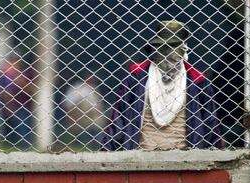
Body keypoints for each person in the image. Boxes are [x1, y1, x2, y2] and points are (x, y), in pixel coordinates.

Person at [102, 20, 222, 151]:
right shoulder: (137, 76)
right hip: (141, 155)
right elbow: (119, 117)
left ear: (183, 50)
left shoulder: (197, 80)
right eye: (162, 48)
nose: (167, 54)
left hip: (185, 156)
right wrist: (106, 152)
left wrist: (215, 154)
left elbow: (211, 124)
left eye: (172, 48)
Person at [0, 55, 34, 149]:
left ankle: (25, 145)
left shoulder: (25, 74)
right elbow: (1, 92)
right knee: (7, 128)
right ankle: (8, 143)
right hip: (6, 106)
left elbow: (32, 90)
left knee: (23, 127)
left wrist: (19, 80)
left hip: (22, 105)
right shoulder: (3, 77)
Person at [62, 73, 106, 150]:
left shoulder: (94, 88)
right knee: (84, 139)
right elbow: (68, 103)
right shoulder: (77, 88)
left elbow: (98, 106)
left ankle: (100, 148)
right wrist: (70, 116)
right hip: (81, 117)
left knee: (98, 136)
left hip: (95, 118)